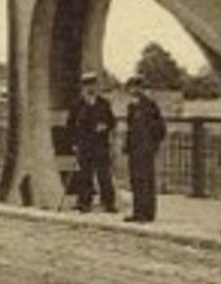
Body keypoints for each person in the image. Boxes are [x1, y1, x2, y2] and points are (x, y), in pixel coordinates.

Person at [66, 70, 117, 213]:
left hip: (100, 144)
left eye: (93, 84)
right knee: (84, 175)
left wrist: (105, 126)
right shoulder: (78, 105)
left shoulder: (104, 104)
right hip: (85, 144)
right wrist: (74, 143)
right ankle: (84, 202)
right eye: (87, 85)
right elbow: (70, 125)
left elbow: (112, 121)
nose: (90, 88)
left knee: (104, 175)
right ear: (83, 87)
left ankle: (108, 203)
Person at [122, 77, 168, 223]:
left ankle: (147, 214)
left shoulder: (150, 106)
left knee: (146, 180)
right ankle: (137, 212)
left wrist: (152, 145)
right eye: (131, 88)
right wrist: (127, 146)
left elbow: (160, 128)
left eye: (135, 87)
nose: (132, 91)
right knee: (136, 181)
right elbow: (130, 129)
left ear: (140, 88)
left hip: (145, 149)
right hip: (134, 149)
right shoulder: (132, 107)